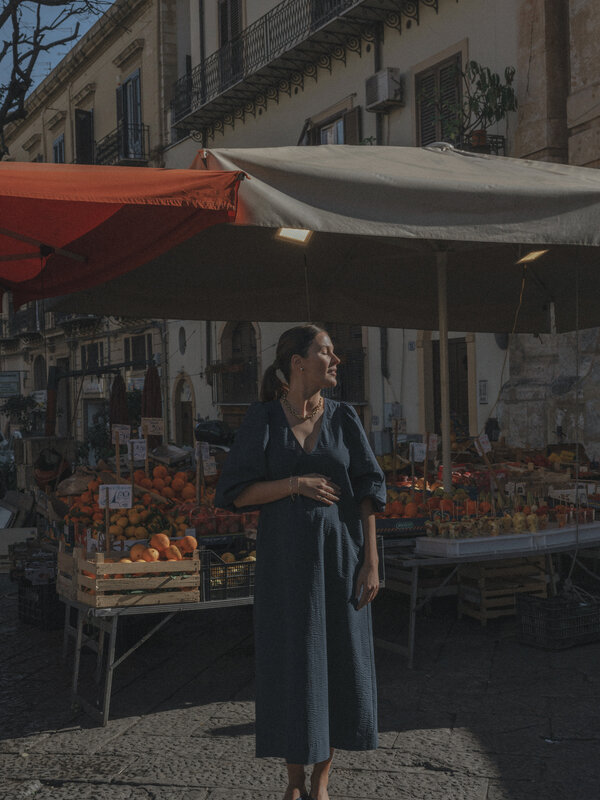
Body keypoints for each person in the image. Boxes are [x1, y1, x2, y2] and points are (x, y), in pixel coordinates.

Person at [215, 325, 386, 800]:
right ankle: (293, 781)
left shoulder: (344, 417)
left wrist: (371, 560)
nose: (336, 360)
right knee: (293, 664)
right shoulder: (263, 419)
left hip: (341, 558)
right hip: (284, 566)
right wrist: (296, 484)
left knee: (337, 661)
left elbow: (370, 488)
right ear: (297, 362)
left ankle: (322, 780)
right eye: (326, 352)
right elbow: (235, 493)